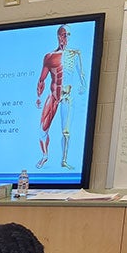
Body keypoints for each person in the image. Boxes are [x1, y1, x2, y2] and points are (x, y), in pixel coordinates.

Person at [35, 24, 86, 170]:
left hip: (67, 97)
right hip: (53, 95)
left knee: (66, 132)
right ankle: (45, 156)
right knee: (42, 129)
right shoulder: (50, 56)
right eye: (64, 34)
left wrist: (84, 85)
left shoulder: (75, 54)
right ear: (58, 36)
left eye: (68, 35)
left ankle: (64, 160)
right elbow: (42, 79)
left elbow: (81, 73)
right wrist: (38, 96)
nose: (66, 37)